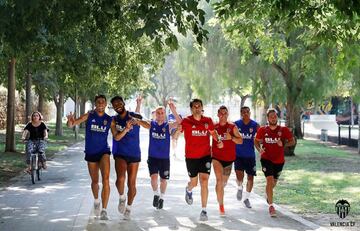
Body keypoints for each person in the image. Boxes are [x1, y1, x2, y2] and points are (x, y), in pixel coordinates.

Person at [169, 98, 218, 221]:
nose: (197, 108)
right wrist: (177, 131)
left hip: (206, 155)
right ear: (191, 109)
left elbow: (213, 133)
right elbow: (174, 137)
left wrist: (220, 141)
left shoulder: (208, 121)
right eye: (194, 106)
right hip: (191, 157)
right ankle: (188, 189)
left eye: (199, 106)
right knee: (194, 183)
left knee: (204, 181)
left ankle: (204, 210)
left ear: (202, 108)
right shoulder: (186, 121)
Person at [66, 95, 112, 220]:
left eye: (103, 102)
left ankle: (104, 210)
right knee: (95, 181)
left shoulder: (109, 119)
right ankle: (97, 201)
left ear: (106, 103)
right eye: (98, 102)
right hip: (91, 153)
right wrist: (70, 120)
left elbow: (117, 136)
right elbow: (72, 124)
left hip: (104, 152)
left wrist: (128, 130)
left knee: (106, 179)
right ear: (95, 103)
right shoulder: (89, 115)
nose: (101, 104)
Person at [110, 96, 148, 220]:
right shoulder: (114, 120)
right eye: (115, 105)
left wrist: (138, 121)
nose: (117, 105)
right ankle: (122, 198)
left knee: (131, 184)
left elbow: (148, 126)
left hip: (134, 154)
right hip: (120, 153)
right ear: (113, 107)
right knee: (120, 179)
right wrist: (126, 129)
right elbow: (116, 137)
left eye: (119, 103)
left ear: (123, 103)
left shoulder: (134, 116)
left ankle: (129, 208)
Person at [254, 108, 295, 217]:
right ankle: (271, 206)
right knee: (269, 180)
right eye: (271, 117)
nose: (273, 118)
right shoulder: (263, 130)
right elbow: (256, 140)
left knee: (273, 183)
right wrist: (259, 149)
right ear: (268, 118)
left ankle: (268, 193)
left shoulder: (284, 130)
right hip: (266, 159)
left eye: (275, 116)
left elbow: (292, 141)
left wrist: (283, 145)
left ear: (277, 117)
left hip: (279, 161)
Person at [212, 106, 243, 216]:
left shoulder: (232, 127)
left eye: (225, 113)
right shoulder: (214, 127)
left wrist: (232, 138)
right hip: (216, 158)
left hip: (229, 160)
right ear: (218, 114)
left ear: (227, 115)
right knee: (219, 181)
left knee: (223, 183)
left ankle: (219, 192)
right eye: (221, 113)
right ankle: (221, 206)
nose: (223, 115)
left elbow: (240, 141)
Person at [234, 106, 259, 208]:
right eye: (243, 112)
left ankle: (246, 198)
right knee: (239, 176)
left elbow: (261, 137)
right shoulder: (236, 124)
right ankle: (240, 188)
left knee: (250, 178)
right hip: (238, 155)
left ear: (250, 113)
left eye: (247, 112)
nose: (245, 114)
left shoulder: (255, 125)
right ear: (241, 113)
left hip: (250, 156)